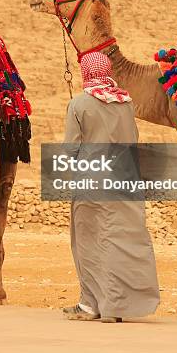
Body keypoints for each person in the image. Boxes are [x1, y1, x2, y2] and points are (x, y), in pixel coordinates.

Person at [62, 51, 160, 323]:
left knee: (89, 243)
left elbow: (71, 149)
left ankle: (90, 305)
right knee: (123, 242)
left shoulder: (78, 104)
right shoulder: (125, 102)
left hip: (91, 183)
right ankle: (119, 305)